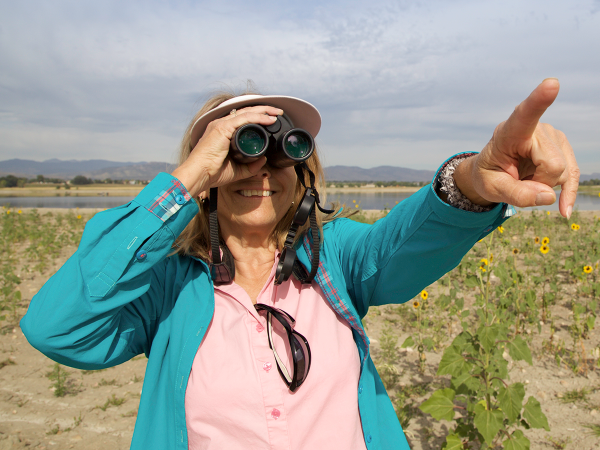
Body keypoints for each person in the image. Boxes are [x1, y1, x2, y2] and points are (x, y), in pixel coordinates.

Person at [21, 78, 578, 450]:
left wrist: (471, 181)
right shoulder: (164, 288)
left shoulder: (334, 258)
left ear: (303, 170)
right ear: (207, 173)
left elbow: (405, 240)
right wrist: (186, 181)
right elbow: (57, 328)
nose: (259, 169)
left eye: (281, 149)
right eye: (238, 149)